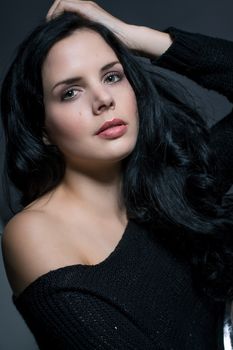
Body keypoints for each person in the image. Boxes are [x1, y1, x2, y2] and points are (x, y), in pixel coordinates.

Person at [1, 0, 233, 349]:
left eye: (112, 76)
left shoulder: (172, 187)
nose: (102, 99)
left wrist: (134, 36)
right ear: (42, 127)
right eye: (70, 92)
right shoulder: (34, 232)